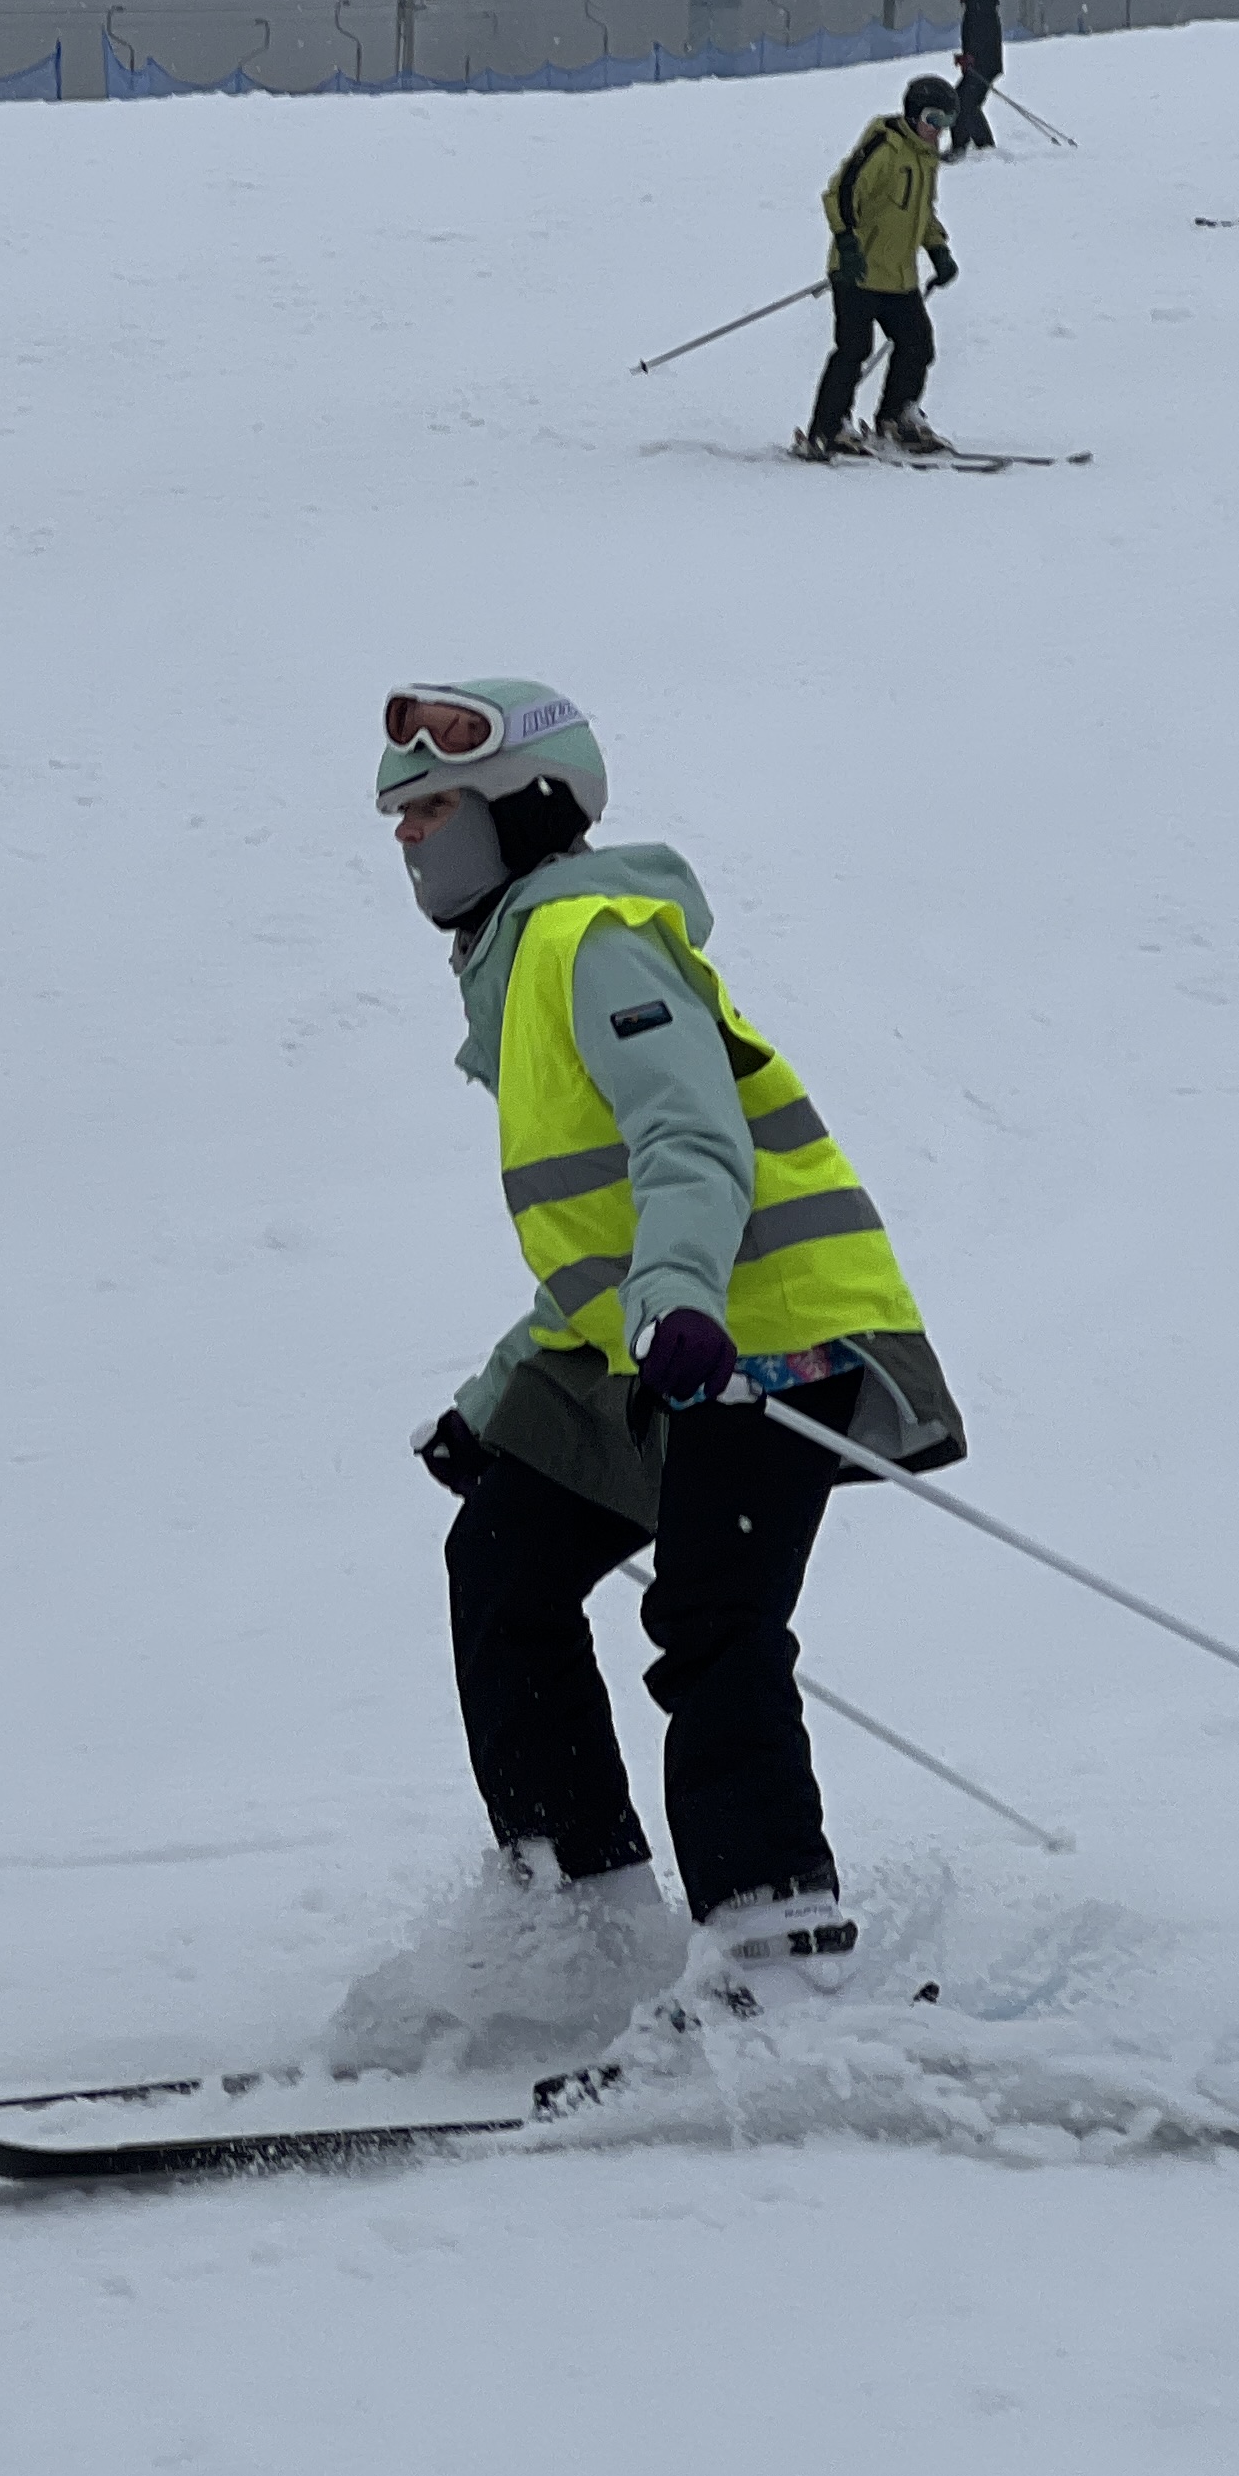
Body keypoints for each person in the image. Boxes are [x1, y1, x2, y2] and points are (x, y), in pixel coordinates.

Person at [329, 681, 965, 2075]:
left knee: (713, 1616)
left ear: (523, 805)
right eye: (398, 816)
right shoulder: (523, 966)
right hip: (675, 1334)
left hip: (775, 1326)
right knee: (503, 1562)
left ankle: (779, 1956)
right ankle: (585, 1916)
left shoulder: (592, 938)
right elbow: (593, 1238)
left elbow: (692, 1139)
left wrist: (679, 1295)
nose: (409, 836)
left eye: (433, 807)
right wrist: (500, 1400)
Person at [795, 76, 961, 462]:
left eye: (946, 123)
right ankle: (828, 429)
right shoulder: (884, 149)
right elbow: (839, 195)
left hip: (899, 276)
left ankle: (896, 417)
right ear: (914, 115)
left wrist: (938, 249)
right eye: (933, 120)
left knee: (918, 344)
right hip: (858, 273)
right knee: (853, 350)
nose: (938, 131)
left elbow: (921, 213)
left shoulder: (924, 158)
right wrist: (847, 243)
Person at [945, 0, 1002, 158]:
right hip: (981, 65)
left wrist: (972, 58)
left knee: (963, 103)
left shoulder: (979, 6)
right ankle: (972, 145)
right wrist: (966, 56)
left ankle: (974, 146)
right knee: (963, 102)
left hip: (983, 66)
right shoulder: (977, 4)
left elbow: (985, 38)